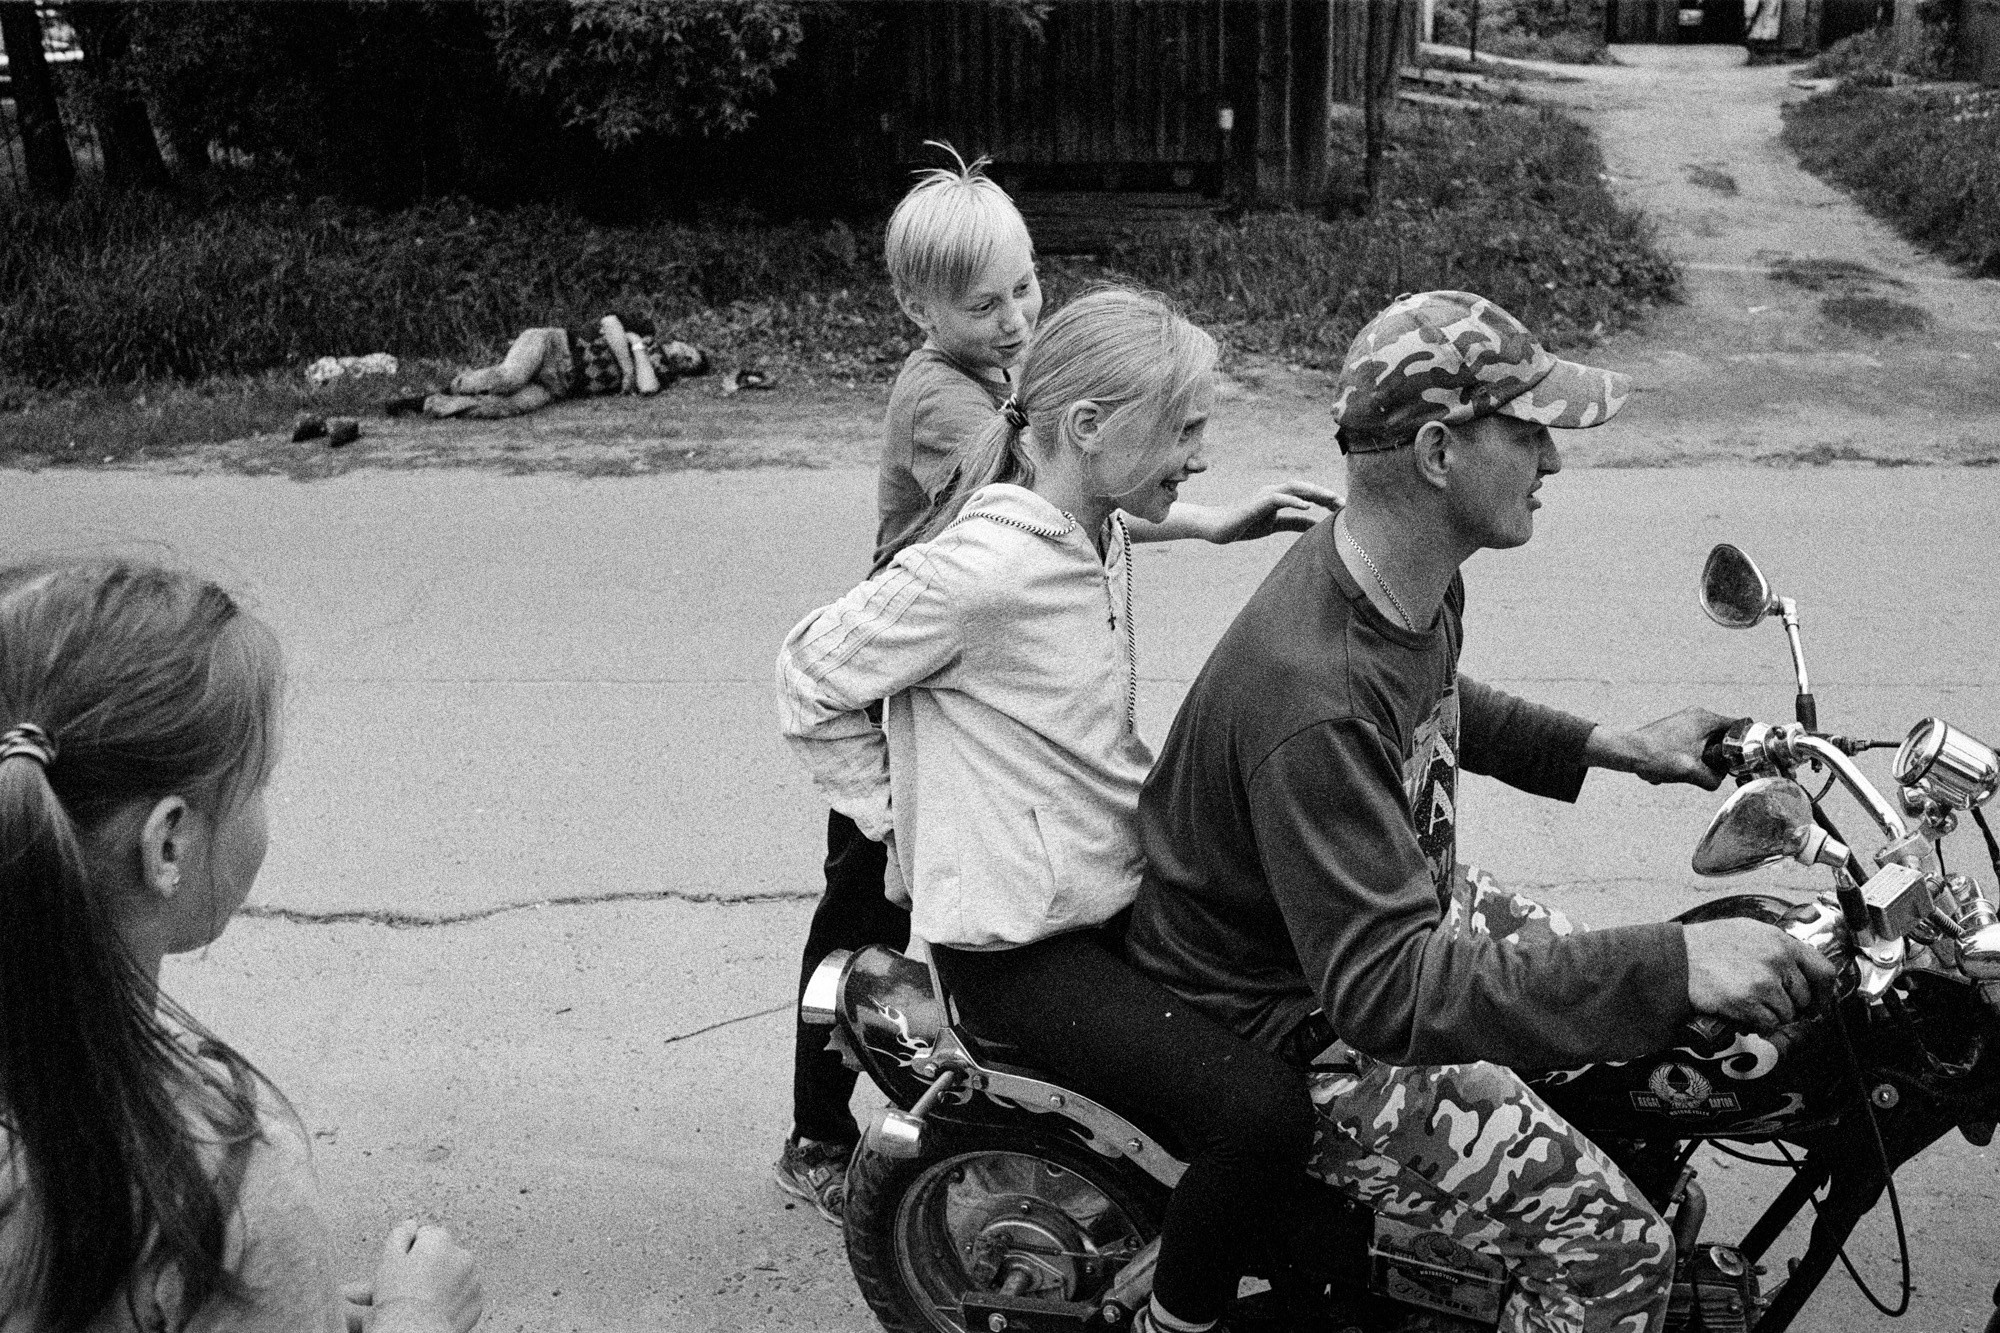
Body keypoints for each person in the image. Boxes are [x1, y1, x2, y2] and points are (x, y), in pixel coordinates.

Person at [1124, 290, 1839, 1332]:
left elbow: (1437, 700)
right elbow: (1386, 1000)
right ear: (1434, 452)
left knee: (1626, 1053)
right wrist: (1671, 961)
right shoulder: (1306, 694)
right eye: (1525, 431)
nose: (1550, 461)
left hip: (1395, 923)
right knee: (1616, 1252)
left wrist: (1609, 747)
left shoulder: (1399, 576)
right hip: (1301, 1023)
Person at [777, 143, 1338, 1224]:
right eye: (981, 301)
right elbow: (846, 649)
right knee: (860, 907)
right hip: (922, 688)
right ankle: (816, 1127)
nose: (1013, 317)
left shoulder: (1027, 416)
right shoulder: (953, 417)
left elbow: (1088, 488)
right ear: (917, 307)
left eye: (1024, 288)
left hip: (993, 712)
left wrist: (1211, 519)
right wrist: (898, 813)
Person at [0, 558, 484, 1333]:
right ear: (169, 844)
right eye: (259, 780)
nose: (263, 809)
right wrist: (415, 1317)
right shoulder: (218, 1183)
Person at [417, 312, 709, 420]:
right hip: (550, 346)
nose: (684, 355)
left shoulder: (658, 369)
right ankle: (456, 385)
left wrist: (636, 347)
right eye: (688, 350)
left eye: (689, 362)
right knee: (510, 379)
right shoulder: (645, 327)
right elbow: (609, 322)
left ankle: (435, 404)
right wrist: (628, 367)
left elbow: (647, 389)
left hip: (557, 386)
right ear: (681, 341)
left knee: (506, 407)